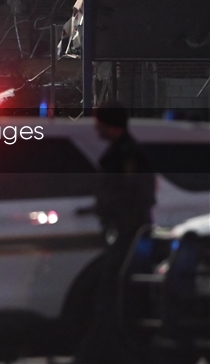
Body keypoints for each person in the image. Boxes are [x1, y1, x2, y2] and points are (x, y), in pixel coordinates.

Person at [74, 102, 156, 363]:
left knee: (115, 296)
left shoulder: (127, 155)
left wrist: (116, 217)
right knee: (111, 295)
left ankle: (109, 351)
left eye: (99, 122)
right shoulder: (120, 153)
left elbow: (136, 195)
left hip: (127, 234)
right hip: (121, 231)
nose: (96, 128)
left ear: (111, 124)